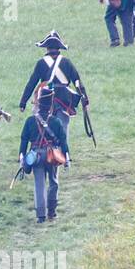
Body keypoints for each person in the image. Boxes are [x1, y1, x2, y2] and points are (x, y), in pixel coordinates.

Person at [18, 32, 88, 134]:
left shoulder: (41, 63)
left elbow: (31, 84)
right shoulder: (66, 62)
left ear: (47, 48)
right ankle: (63, 150)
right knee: (62, 131)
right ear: (59, 48)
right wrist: (84, 98)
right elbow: (77, 82)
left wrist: (23, 102)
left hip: (45, 100)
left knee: (46, 130)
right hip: (64, 100)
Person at [18, 86, 70, 224]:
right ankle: (52, 212)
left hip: (36, 156)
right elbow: (63, 141)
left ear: (39, 103)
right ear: (51, 104)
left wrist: (22, 156)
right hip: (52, 155)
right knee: (54, 182)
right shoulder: (56, 122)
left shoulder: (30, 121)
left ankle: (41, 216)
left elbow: (24, 140)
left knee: (39, 184)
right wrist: (66, 158)